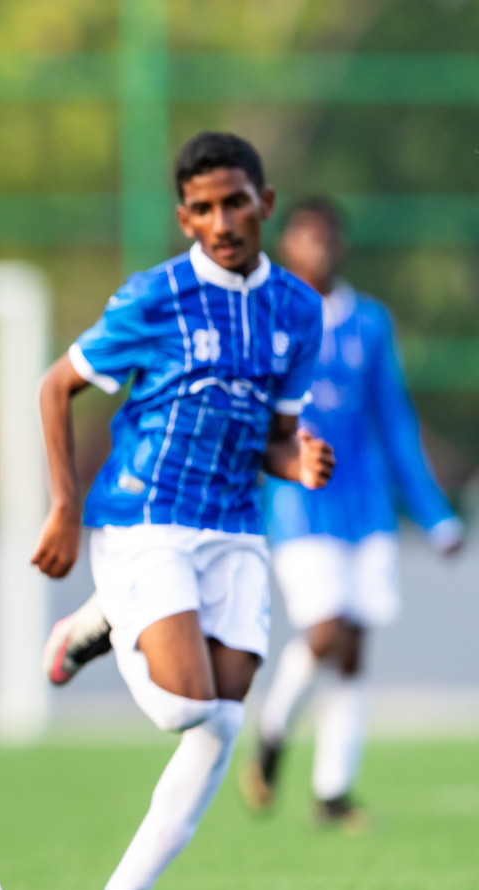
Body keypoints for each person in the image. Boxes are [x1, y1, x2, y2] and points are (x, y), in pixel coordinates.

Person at [30, 131, 334, 890]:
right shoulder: (153, 297)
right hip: (144, 517)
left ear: (262, 203)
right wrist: (64, 507)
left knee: (222, 725)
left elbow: (275, 435)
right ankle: (99, 621)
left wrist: (296, 459)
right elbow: (56, 387)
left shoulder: (299, 311)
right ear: (184, 217)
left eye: (234, 201)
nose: (221, 219)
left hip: (235, 529)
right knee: (182, 707)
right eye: (202, 208)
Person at [239, 199, 463, 828]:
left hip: (367, 507)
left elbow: (394, 420)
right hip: (300, 503)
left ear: (341, 246)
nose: (319, 250)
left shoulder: (369, 323)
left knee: (355, 647)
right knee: (325, 629)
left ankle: (332, 790)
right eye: (307, 239)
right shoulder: (269, 318)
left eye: (328, 239)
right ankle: (275, 731)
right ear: (288, 248)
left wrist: (434, 515)